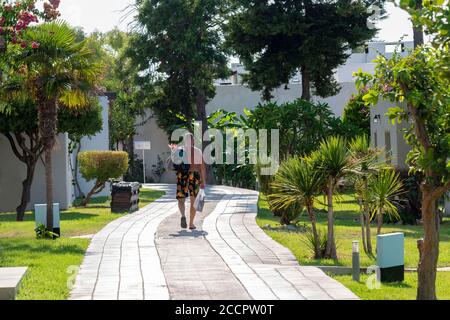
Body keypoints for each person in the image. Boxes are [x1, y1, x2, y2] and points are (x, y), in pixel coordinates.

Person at [169, 133, 206, 230]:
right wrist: (203, 182)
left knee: (181, 199)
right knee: (193, 201)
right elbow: (202, 168)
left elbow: (173, 162)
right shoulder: (198, 151)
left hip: (182, 176)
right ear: (193, 141)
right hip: (194, 176)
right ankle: (191, 223)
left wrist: (173, 150)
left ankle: (183, 216)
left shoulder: (180, 150)